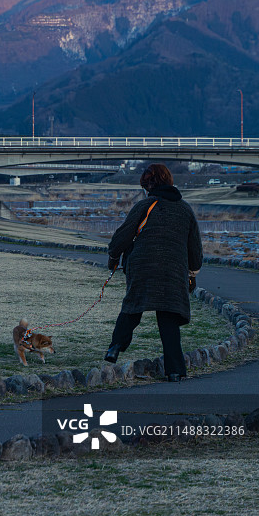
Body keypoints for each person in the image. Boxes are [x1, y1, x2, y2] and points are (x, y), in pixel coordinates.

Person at [105, 163, 203, 382]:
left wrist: (113, 258)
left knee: (132, 307)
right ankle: (175, 371)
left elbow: (122, 236)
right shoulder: (185, 209)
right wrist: (192, 274)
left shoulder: (145, 205)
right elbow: (195, 247)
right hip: (173, 271)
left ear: (149, 185)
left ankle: (114, 348)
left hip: (143, 267)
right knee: (168, 319)